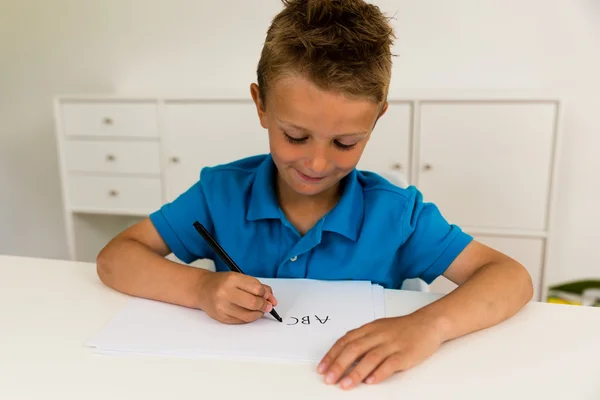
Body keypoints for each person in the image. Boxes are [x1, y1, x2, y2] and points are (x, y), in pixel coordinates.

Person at [96, 0, 534, 390]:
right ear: (261, 105)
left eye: (345, 143)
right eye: (296, 136)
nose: (318, 164)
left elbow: (510, 276)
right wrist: (201, 289)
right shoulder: (220, 193)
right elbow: (116, 258)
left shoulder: (397, 214)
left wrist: (427, 325)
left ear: (378, 118)